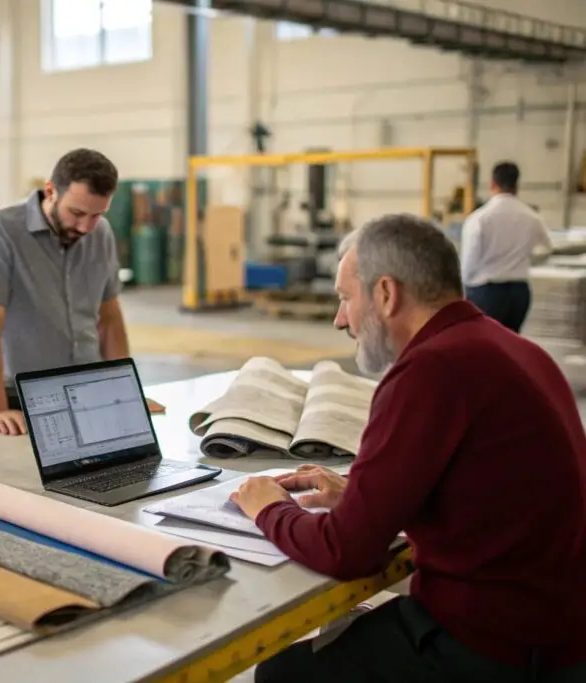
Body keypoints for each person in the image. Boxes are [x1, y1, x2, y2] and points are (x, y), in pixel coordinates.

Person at [231, 213, 586, 682]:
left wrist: (269, 509)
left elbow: (348, 551)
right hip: (558, 634)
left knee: (282, 673)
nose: (340, 320)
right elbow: (488, 494)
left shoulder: (430, 371)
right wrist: (359, 498)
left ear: (385, 293)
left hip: (492, 649)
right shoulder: (516, 350)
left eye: (344, 298)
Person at [0, 148, 162, 436]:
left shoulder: (100, 233)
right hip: (20, 398)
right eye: (77, 213)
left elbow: (109, 319)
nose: (86, 226)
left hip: (88, 390)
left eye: (97, 214)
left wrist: (123, 392)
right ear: (50, 190)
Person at [461, 161, 552, 332]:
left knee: (484, 344)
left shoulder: (480, 218)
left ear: (492, 184)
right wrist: (525, 259)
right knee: (510, 345)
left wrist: (463, 292)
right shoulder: (532, 217)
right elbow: (546, 249)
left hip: (487, 293)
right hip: (519, 292)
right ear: (516, 185)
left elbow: (469, 262)